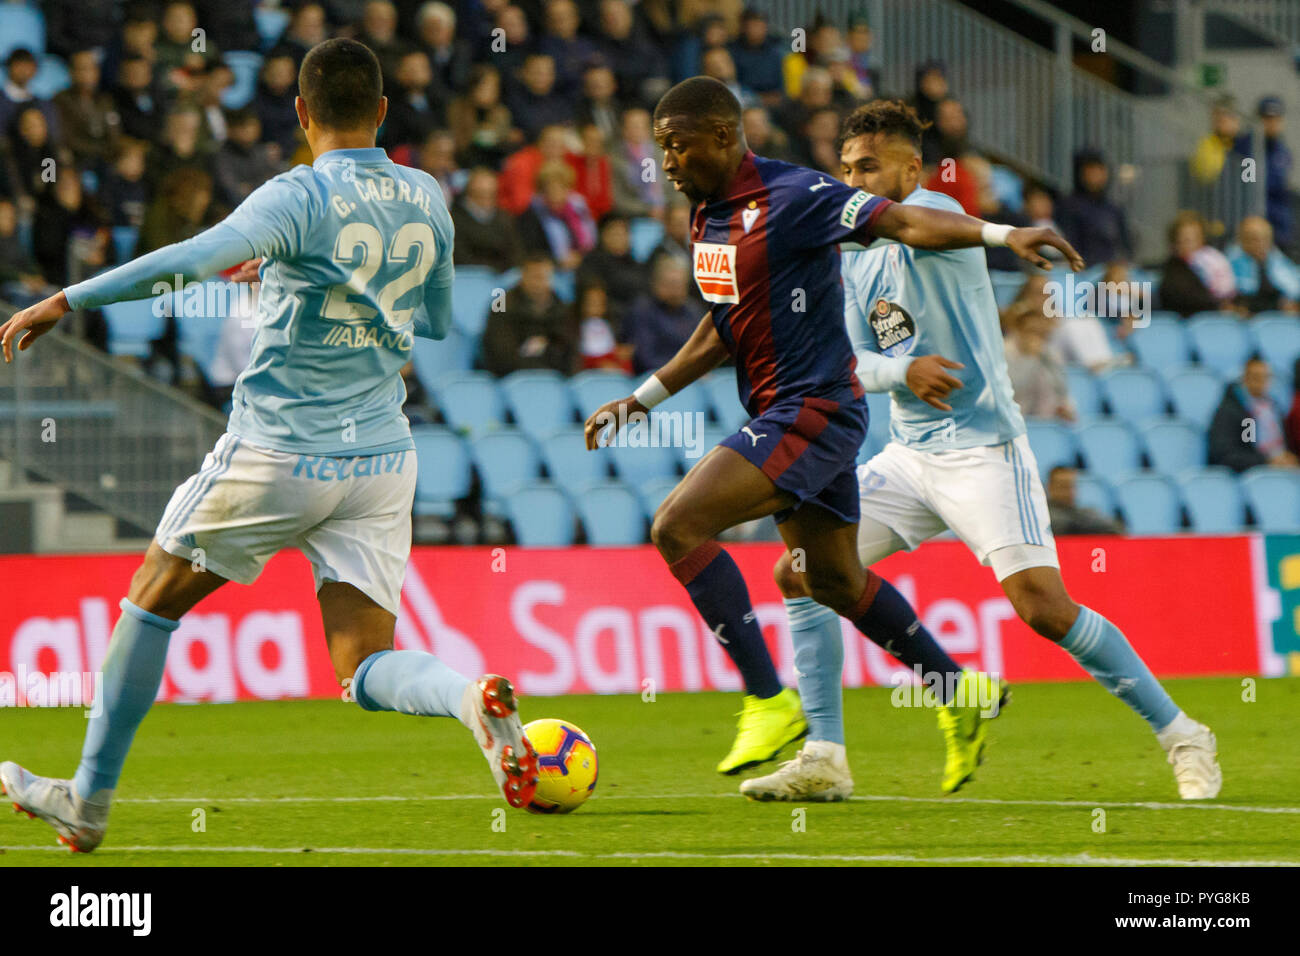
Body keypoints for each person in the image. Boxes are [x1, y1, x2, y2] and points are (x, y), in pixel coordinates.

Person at [0, 38, 540, 854]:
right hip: (382, 459)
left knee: (150, 600)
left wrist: (65, 299)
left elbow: (189, 260)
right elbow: (430, 321)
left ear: (299, 113)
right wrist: (294, 274)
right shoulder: (427, 193)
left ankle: (88, 801)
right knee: (362, 662)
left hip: (280, 452)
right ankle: (470, 698)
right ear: (384, 112)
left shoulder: (298, 195)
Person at [582, 77, 1083, 776]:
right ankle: (956, 688)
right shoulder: (706, 218)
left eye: (676, 145)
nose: (664, 161)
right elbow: (721, 329)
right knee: (834, 581)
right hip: (778, 411)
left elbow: (906, 223)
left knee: (676, 526)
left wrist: (1006, 233)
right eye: (661, 147)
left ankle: (767, 700)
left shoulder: (797, 196)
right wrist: (641, 400)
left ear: (723, 137)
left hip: (814, 411)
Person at [740, 100, 1219, 803]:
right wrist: (903, 370)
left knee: (1045, 609)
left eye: (868, 166)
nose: (853, 181)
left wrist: (1005, 233)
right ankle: (825, 757)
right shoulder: (852, 255)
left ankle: (1183, 734)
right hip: (910, 457)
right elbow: (852, 361)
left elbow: (941, 229)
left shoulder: (942, 222)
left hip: (985, 454)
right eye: (844, 170)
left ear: (913, 168)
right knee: (800, 570)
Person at [481, 252, 576, 376]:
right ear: (523, 277)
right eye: (535, 277)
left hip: (554, 378)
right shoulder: (502, 307)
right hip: (513, 378)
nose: (539, 283)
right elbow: (500, 355)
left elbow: (568, 351)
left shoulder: (562, 309)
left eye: (544, 277)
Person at [1208, 356, 1298, 472]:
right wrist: (1266, 461)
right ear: (1245, 379)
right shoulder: (1229, 412)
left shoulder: (1274, 407)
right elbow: (1225, 454)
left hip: (1280, 469)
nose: (1262, 383)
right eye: (1256, 377)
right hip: (1251, 472)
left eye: (1266, 377)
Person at [1057, 148, 1132, 267]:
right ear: (1080, 174)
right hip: (1085, 272)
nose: (1095, 175)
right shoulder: (1069, 206)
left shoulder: (1114, 209)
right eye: (1090, 170)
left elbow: (1125, 246)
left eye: (1099, 170)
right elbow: (1069, 244)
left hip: (1113, 270)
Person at [1159, 210, 1237, 317]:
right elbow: (1187, 300)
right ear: (1175, 242)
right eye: (1185, 239)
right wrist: (1220, 306)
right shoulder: (1172, 272)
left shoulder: (1211, 263)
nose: (1191, 243)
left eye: (1195, 238)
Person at [1226, 215, 1300, 315]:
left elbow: (1294, 287)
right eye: (1254, 239)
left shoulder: (1277, 260)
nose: (1260, 244)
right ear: (1242, 240)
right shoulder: (1230, 262)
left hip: (1276, 317)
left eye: (1265, 238)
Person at [1045, 466, 1124, 535]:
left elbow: (1116, 529)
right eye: (1063, 486)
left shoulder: (1087, 512)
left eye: (1072, 486)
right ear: (1050, 487)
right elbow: (1063, 527)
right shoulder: (1044, 515)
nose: (1069, 492)